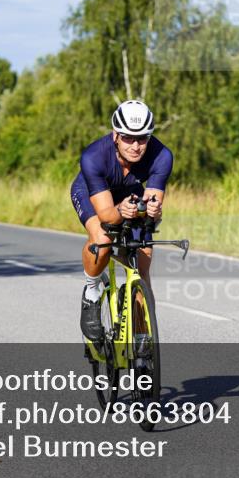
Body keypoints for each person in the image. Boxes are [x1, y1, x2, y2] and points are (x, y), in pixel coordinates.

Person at [70, 100, 173, 340]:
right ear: (115, 134)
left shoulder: (162, 156)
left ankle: (141, 340)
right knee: (103, 238)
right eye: (128, 138)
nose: (136, 146)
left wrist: (153, 212)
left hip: (130, 194)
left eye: (142, 138)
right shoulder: (93, 156)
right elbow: (107, 215)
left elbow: (153, 204)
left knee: (142, 264)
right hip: (93, 193)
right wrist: (120, 210)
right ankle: (92, 291)